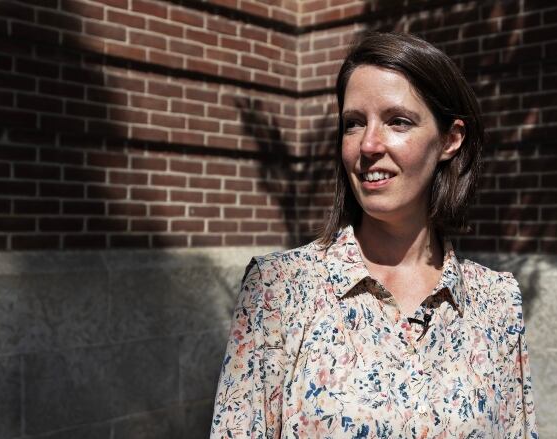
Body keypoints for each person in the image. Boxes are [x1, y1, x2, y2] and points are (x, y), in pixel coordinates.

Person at [210, 32, 538, 439]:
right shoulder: (279, 291)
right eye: (353, 124)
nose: (367, 144)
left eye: (397, 121)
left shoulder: (496, 301)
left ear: (451, 140)